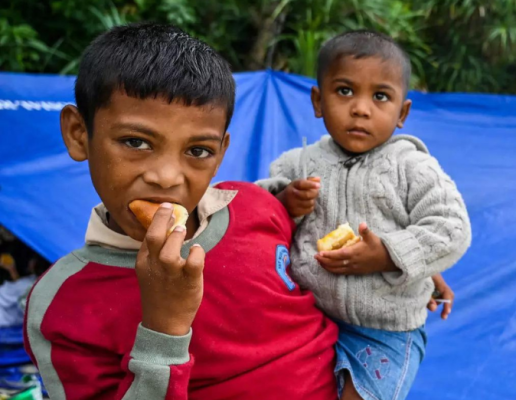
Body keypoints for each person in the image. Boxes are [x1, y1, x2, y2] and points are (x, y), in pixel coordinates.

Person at [24, 23, 340, 399]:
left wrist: (397, 273)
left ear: (221, 153)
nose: (166, 178)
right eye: (136, 142)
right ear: (79, 134)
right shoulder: (62, 305)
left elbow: (327, 266)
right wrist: (164, 328)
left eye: (197, 151)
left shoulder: (255, 207)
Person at [259, 30, 472, 400]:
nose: (361, 108)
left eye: (380, 96)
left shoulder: (413, 167)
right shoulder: (297, 164)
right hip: (305, 318)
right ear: (317, 100)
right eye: (344, 91)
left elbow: (451, 228)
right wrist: (284, 203)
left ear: (402, 112)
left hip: (384, 331)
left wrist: (390, 254)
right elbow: (254, 216)